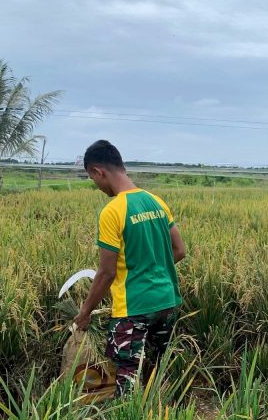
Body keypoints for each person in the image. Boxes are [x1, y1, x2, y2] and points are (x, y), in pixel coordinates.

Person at [73, 140, 186, 396]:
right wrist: (152, 267)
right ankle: (157, 417)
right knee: (155, 371)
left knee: (126, 381)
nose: (98, 187)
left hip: (133, 308)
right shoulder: (156, 202)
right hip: (167, 301)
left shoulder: (113, 211)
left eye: (94, 180)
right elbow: (179, 251)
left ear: (97, 171)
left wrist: (85, 312)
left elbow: (106, 272)